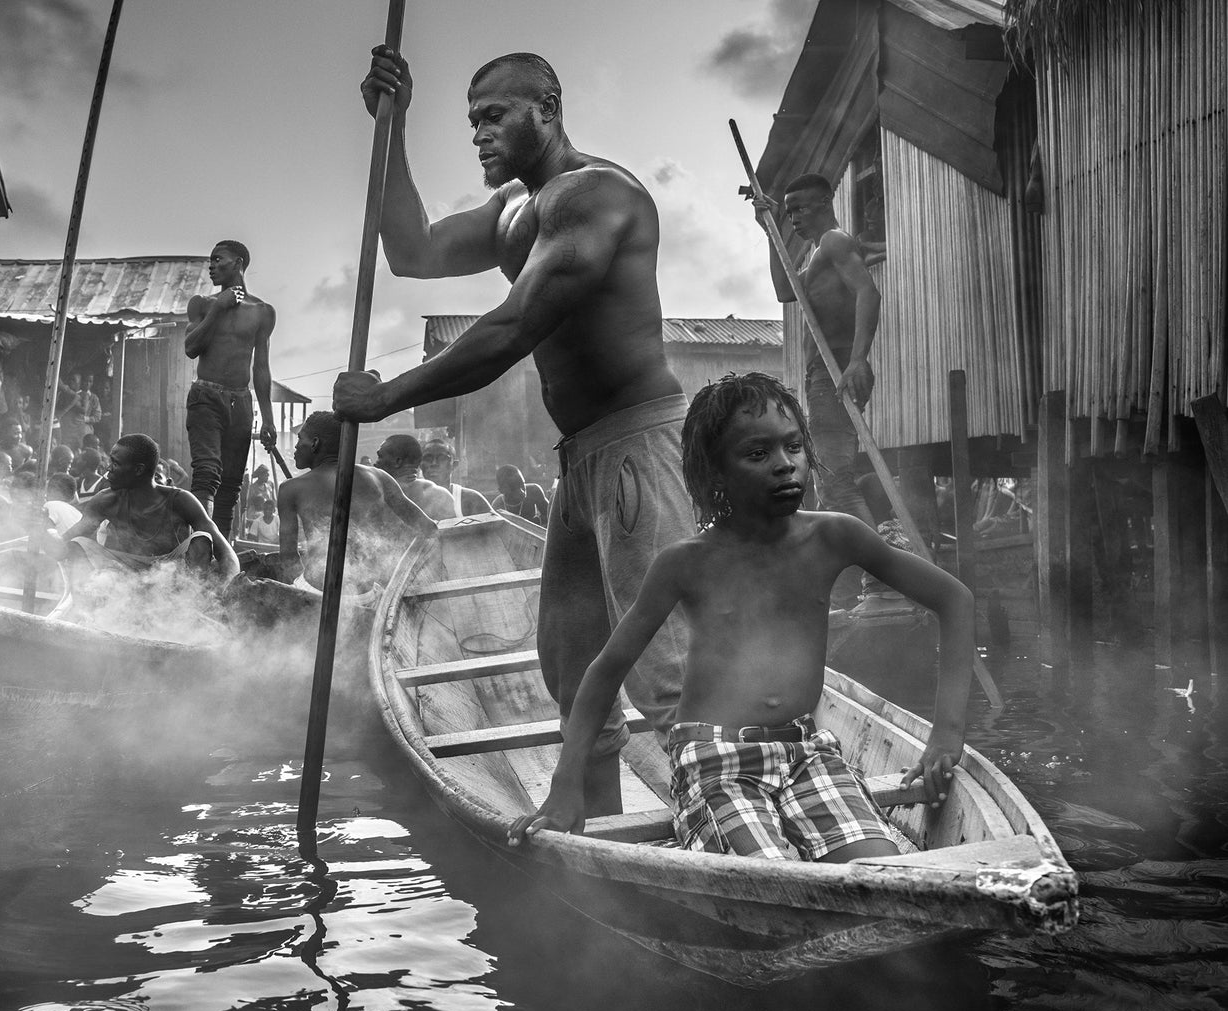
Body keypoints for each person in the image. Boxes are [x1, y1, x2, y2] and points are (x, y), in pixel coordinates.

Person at [338, 49, 696, 815]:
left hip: (636, 441)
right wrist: (389, 128)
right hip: (579, 457)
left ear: (547, 106)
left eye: (494, 114)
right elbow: (412, 252)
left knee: (667, 668)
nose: (478, 132)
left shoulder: (594, 194)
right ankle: (596, 824)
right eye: (470, 120)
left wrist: (386, 397)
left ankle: (736, 827)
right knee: (570, 661)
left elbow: (511, 327)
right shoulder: (511, 212)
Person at [508, 373, 972, 862]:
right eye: (757, 454)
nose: (785, 465)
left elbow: (954, 601)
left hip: (807, 753)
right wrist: (565, 786)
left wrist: (945, 735)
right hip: (714, 761)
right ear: (714, 475)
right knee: (772, 874)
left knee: (880, 866)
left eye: (793, 446)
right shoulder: (685, 562)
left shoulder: (836, 537)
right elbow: (604, 672)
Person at [753, 172, 879, 529]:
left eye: (799, 209)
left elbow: (869, 293)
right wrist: (769, 229)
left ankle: (874, 574)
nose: (793, 219)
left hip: (835, 370)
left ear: (825, 203)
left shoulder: (836, 242)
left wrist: (856, 361)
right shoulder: (822, 251)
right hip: (824, 373)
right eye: (788, 213)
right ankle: (854, 576)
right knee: (829, 484)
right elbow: (786, 289)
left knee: (836, 485)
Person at [274, 412, 436, 596]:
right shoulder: (378, 476)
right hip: (366, 595)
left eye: (299, 439)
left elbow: (288, 558)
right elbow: (428, 528)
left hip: (314, 592)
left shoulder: (290, 488)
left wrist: (300, 596)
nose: (295, 446)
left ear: (315, 443)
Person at [48, 433, 239, 581]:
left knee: (202, 538)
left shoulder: (181, 500)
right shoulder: (105, 500)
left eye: (115, 463)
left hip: (172, 576)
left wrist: (229, 586)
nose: (108, 469)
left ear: (138, 470)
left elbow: (226, 553)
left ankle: (193, 606)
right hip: (123, 573)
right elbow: (64, 545)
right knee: (78, 545)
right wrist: (46, 532)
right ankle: (89, 612)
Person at [184, 239, 277, 541]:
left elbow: (260, 368)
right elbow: (191, 348)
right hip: (206, 397)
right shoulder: (202, 304)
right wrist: (218, 310)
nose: (210, 265)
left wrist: (268, 418)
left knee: (231, 483)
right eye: (209, 260)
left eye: (217, 259)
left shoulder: (262, 311)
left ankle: (222, 552)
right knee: (208, 471)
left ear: (237, 264)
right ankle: (199, 547)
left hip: (241, 401)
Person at [375, 434, 457, 519]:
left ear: (398, 462)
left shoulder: (379, 495)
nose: (375, 464)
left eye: (380, 457)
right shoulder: (442, 495)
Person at [419, 438, 493, 516]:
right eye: (427, 458)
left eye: (442, 458)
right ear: (420, 465)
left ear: (454, 465)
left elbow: (500, 526)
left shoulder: (470, 500)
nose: (434, 463)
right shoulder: (412, 500)